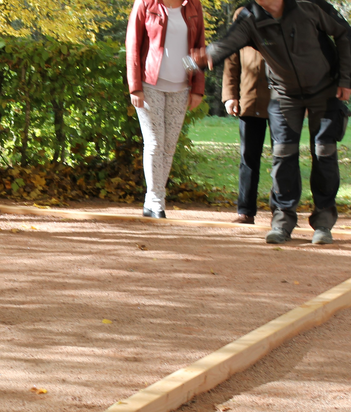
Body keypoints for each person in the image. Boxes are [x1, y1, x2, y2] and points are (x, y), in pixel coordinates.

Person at [192, 0, 351, 244]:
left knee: (324, 150)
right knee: (283, 153)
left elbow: (343, 32)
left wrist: (345, 78)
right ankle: (282, 221)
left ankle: (323, 223)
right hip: (284, 93)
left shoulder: (309, 6)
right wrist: (199, 58)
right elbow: (226, 45)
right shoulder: (249, 18)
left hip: (325, 89)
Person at [126, 0, 206, 219]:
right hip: (150, 84)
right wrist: (135, 87)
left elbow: (199, 47)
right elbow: (133, 45)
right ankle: (155, 201)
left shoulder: (193, 5)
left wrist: (197, 87)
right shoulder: (145, 3)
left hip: (181, 87)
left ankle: (153, 200)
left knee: (169, 146)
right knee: (154, 143)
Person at [222, 8, 271, 225]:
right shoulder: (243, 15)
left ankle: (283, 212)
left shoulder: (290, 13)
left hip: (284, 102)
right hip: (250, 99)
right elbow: (231, 59)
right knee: (248, 158)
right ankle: (245, 211)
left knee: (284, 158)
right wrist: (230, 95)